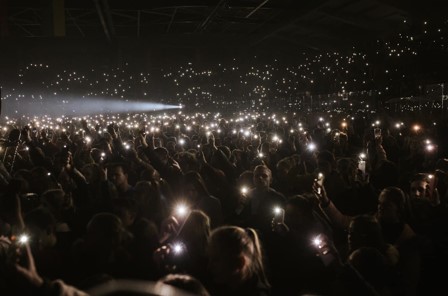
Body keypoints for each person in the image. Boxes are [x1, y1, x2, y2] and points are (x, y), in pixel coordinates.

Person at [207, 226, 270, 296]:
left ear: (240, 262)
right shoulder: (220, 289)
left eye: (216, 259)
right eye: (210, 258)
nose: (210, 266)